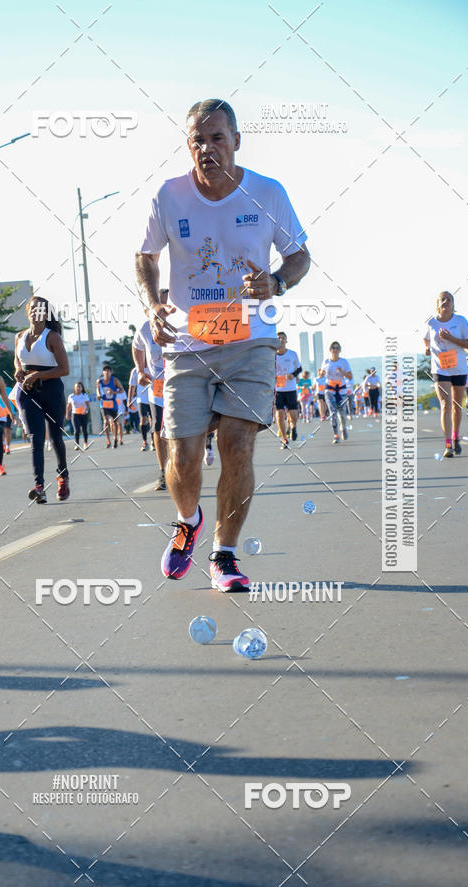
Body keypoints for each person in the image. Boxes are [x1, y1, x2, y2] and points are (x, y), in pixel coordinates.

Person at [135, 97, 310, 591]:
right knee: (183, 456)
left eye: (217, 138)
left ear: (236, 140)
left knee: (238, 444)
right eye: (198, 140)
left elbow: (299, 255)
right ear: (187, 146)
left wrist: (276, 283)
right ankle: (187, 522)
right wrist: (153, 304)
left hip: (250, 339)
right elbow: (145, 255)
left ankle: (224, 554)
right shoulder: (168, 196)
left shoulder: (267, 193)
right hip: (188, 343)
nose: (207, 148)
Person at [14, 296, 70, 502]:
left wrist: (37, 375)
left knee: (55, 438)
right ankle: (39, 487)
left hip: (51, 390)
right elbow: (17, 360)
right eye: (32, 309)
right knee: (36, 439)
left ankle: (63, 477)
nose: (35, 313)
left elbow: (64, 369)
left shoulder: (53, 337)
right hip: (28, 391)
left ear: (46, 314)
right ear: (27, 312)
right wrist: (19, 371)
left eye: (40, 310)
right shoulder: (19, 336)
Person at [424, 290, 468, 457]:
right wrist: (426, 347)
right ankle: (447, 445)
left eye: (448, 300)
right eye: (442, 299)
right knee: (445, 404)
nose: (445, 302)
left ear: (453, 304)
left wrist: (451, 339)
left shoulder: (461, 321)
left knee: (456, 406)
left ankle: (455, 437)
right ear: (438, 304)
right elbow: (426, 338)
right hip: (440, 368)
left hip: (458, 368)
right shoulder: (431, 322)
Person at [133, 303, 168, 489]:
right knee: (157, 428)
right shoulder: (146, 328)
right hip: (158, 387)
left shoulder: (182, 322)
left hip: (182, 383)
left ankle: (182, 466)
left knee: (184, 429)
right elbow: (136, 346)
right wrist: (140, 370)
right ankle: (163, 472)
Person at [320, 342, 353, 443]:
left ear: (339, 350)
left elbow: (350, 376)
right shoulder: (326, 361)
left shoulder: (344, 362)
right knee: (333, 413)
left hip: (341, 391)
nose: (335, 350)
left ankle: (343, 428)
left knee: (342, 414)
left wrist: (342, 372)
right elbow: (321, 374)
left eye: (337, 348)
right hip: (329, 390)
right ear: (330, 350)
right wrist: (322, 373)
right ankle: (336, 435)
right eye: (333, 348)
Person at [274, 331, 301, 449]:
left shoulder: (292, 354)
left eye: (283, 338)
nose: (281, 340)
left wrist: (293, 375)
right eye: (278, 338)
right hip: (277, 390)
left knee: (293, 414)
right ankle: (284, 439)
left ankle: (293, 427)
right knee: (279, 415)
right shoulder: (271, 355)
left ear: (286, 340)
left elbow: (299, 369)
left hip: (290, 389)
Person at [97, 365, 124, 448]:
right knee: (106, 421)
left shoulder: (115, 380)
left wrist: (113, 392)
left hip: (113, 404)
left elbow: (122, 390)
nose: (107, 372)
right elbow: (97, 389)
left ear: (111, 372)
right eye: (105, 371)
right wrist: (98, 394)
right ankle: (108, 440)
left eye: (108, 371)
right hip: (104, 404)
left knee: (114, 422)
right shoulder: (99, 381)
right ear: (103, 372)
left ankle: (115, 438)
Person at [128, 366, 151, 449]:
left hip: (153, 398)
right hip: (141, 399)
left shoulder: (151, 367)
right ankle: (145, 441)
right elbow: (132, 386)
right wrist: (129, 400)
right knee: (143, 419)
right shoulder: (135, 370)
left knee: (153, 420)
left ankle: (153, 441)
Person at [66, 381, 90, 450]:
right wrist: (67, 414)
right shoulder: (71, 396)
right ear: (74, 388)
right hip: (75, 415)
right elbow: (69, 406)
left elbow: (88, 405)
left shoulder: (84, 395)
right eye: (77, 387)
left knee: (84, 430)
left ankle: (85, 443)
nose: (78, 388)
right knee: (76, 430)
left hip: (83, 414)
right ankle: (77, 445)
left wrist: (86, 410)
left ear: (82, 388)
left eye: (80, 387)